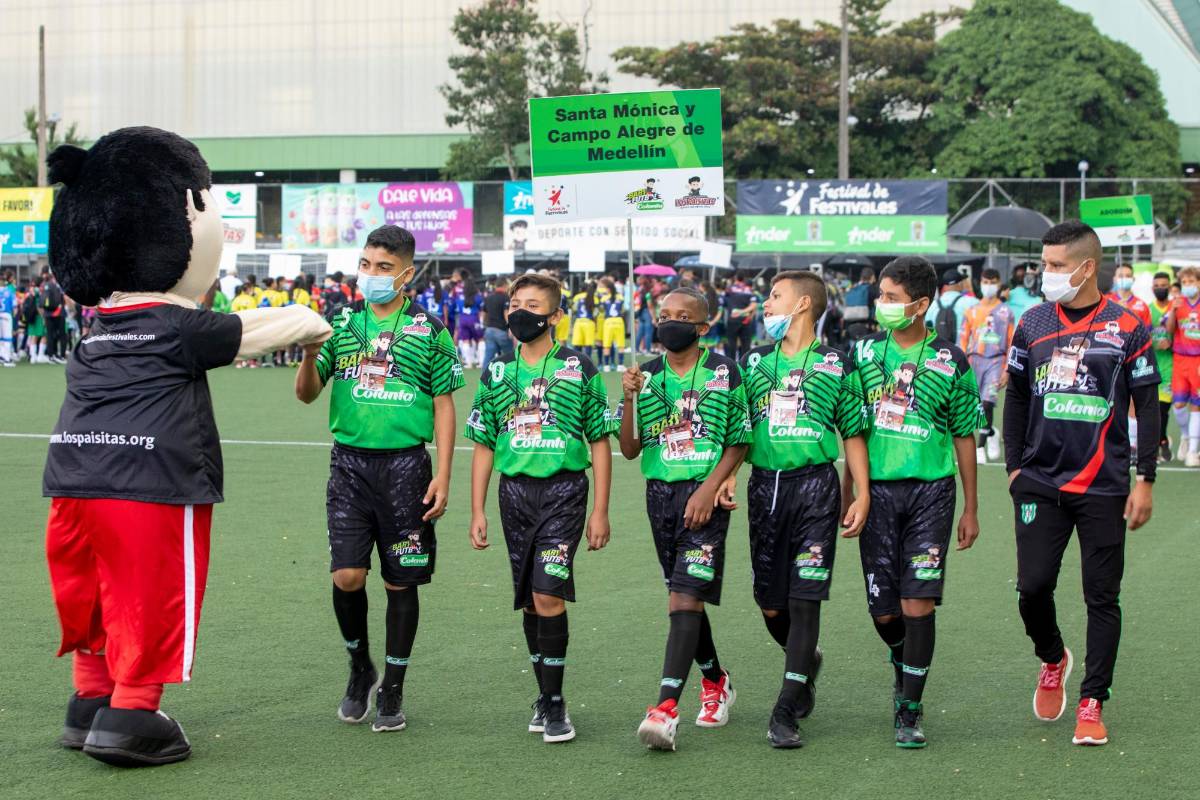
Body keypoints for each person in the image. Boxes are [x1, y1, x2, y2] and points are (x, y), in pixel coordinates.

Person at [295, 225, 463, 733]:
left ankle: (393, 685)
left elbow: (444, 404)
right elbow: (306, 393)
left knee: (399, 581)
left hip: (407, 468)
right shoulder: (341, 323)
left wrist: (444, 473)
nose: (371, 274)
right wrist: (309, 353)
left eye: (384, 267)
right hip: (349, 466)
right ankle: (359, 667)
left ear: (406, 274)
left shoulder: (430, 330)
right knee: (347, 576)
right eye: (366, 264)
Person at [1004, 220, 1158, 747]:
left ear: (1087, 267)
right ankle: (1053, 657)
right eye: (1043, 263)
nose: (1044, 273)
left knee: (1102, 595)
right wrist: (1014, 468)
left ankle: (1093, 701)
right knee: (1032, 588)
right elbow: (1016, 396)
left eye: (1055, 265)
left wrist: (1145, 478)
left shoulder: (1129, 326)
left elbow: (1148, 406)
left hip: (1103, 484)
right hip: (1038, 481)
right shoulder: (1032, 322)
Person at [466, 273, 612, 744]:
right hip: (514, 495)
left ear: (555, 316)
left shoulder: (579, 367)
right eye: (515, 305)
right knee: (530, 599)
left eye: (532, 305)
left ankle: (555, 701)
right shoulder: (498, 371)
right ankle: (544, 695)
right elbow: (484, 443)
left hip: (564, 493)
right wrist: (477, 510)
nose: (520, 313)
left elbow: (600, 441)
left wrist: (601, 510)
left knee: (549, 594)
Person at [843, 255, 982, 749]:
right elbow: (852, 429)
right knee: (885, 612)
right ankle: (902, 656)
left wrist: (971, 507)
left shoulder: (951, 359)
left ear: (921, 305)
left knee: (916, 600)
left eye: (892, 298)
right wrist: (851, 492)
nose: (881, 304)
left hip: (932, 492)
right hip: (877, 493)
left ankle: (909, 707)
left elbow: (964, 434)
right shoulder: (861, 354)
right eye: (881, 296)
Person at [739, 271, 870, 748]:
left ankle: (785, 710)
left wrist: (862, 492)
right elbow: (737, 430)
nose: (766, 304)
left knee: (804, 597)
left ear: (803, 305)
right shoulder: (754, 362)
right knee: (771, 605)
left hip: (816, 488)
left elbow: (852, 432)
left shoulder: (837, 363)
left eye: (775, 296)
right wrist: (724, 480)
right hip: (764, 488)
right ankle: (806, 660)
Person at [618, 287, 750, 752]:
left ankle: (665, 708)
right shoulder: (645, 375)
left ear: (703, 327)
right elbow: (629, 449)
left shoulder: (724, 372)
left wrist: (709, 489)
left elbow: (739, 440)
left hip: (704, 495)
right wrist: (629, 399)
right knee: (683, 599)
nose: (670, 322)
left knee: (684, 598)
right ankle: (715, 679)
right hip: (660, 497)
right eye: (663, 315)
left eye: (682, 316)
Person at [959, 269, 1014, 463]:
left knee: (987, 403)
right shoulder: (971, 310)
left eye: (992, 282)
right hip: (974, 360)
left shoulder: (1006, 312)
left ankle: (980, 446)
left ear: (998, 283)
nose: (988, 285)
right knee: (975, 406)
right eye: (985, 281)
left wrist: (1007, 370)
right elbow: (963, 339)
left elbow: (1011, 342)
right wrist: (960, 364)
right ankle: (990, 432)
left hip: (996, 360)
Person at [1164, 266, 1200, 466]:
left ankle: (1193, 451)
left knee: (1196, 404)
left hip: (1198, 360)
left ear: (1199, 283)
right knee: (1178, 405)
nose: (1187, 285)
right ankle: (1185, 436)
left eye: (1191, 281)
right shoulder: (1177, 303)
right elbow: (1169, 330)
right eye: (1184, 282)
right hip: (1180, 359)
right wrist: (1173, 311)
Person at [1149, 272, 1175, 462]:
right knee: (1152, 409)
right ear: (1152, 288)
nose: (1160, 288)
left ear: (1170, 287)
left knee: (1163, 408)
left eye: (1164, 285)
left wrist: (1171, 344)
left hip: (1171, 365)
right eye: (1157, 285)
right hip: (1151, 364)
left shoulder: (1176, 308)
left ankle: (1162, 441)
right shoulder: (1148, 310)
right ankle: (1161, 440)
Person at [924, 269, 978, 343]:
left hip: (940, 348)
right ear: (960, 284)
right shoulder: (972, 302)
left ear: (945, 286)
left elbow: (926, 329)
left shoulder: (932, 305)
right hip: (963, 349)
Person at [480, 276, 513, 374]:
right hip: (501, 331)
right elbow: (506, 313)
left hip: (489, 330)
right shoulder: (506, 298)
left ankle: (483, 377)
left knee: (488, 357)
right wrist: (510, 328)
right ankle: (513, 375)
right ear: (504, 285)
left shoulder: (488, 298)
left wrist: (484, 326)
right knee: (510, 356)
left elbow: (484, 314)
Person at [724, 272, 758, 362]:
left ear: (736, 278)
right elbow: (754, 305)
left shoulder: (730, 289)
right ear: (744, 279)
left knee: (731, 343)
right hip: (745, 320)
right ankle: (743, 364)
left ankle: (730, 363)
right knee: (745, 344)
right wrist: (746, 313)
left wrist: (737, 311)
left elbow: (724, 299)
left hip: (733, 319)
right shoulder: (749, 290)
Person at [455, 276, 485, 368]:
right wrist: (482, 322)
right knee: (480, 339)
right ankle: (481, 362)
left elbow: (458, 309)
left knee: (465, 340)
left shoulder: (459, 297)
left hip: (463, 319)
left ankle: (469, 363)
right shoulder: (478, 297)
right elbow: (481, 310)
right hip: (474, 319)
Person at [600, 277, 626, 372]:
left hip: (608, 321)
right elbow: (623, 309)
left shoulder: (604, 298)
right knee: (621, 345)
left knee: (607, 345)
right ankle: (620, 365)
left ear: (608, 289)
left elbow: (601, 310)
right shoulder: (620, 297)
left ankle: (606, 366)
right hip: (618, 321)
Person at [570, 281, 598, 362]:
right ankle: (588, 362)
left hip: (579, 322)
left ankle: (577, 362)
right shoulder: (594, 297)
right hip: (589, 322)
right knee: (588, 344)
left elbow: (574, 309)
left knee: (577, 344)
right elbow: (596, 312)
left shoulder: (577, 297)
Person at [635, 277, 656, 355]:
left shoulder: (639, 292)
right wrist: (653, 318)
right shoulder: (648, 293)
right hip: (647, 313)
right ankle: (648, 350)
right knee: (648, 332)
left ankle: (636, 350)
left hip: (641, 313)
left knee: (640, 332)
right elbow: (650, 306)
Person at [0, 269, 15, 366]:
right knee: (7, 338)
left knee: (1, 338)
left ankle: (1, 356)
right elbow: (14, 306)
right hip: (7, 314)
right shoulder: (9, 291)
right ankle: (7, 358)